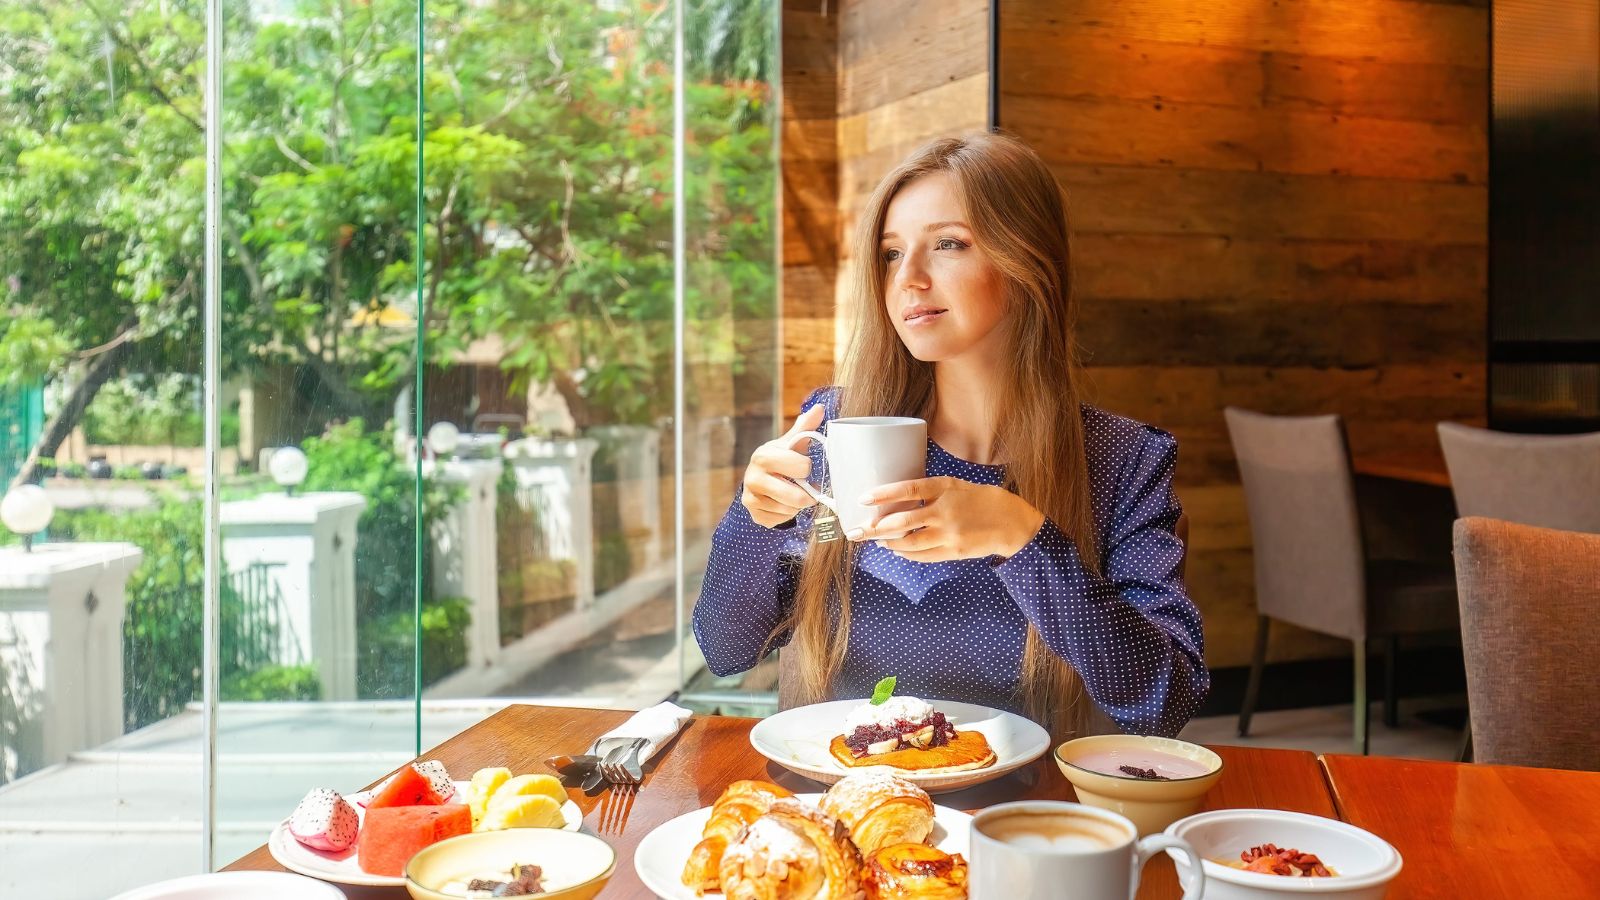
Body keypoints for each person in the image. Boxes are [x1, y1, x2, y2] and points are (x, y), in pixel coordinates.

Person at [692, 131, 1207, 738]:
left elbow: (1167, 700)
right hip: (838, 811)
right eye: (890, 253)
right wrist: (755, 519)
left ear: (1027, 262)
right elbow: (723, 650)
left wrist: (1024, 537)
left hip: (1018, 822)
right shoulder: (835, 434)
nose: (908, 278)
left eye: (949, 245)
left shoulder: (1123, 460)